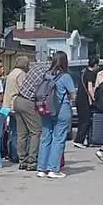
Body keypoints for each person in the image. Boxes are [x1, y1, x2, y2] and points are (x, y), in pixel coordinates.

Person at [37, 50, 77, 179]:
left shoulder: (47, 75)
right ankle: (54, 168)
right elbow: (72, 94)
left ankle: (42, 168)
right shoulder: (66, 77)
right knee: (58, 139)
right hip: (61, 110)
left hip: (46, 109)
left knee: (45, 138)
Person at [73, 57, 99, 148]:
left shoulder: (83, 72)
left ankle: (79, 139)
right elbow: (90, 88)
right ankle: (79, 140)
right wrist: (94, 98)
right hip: (85, 100)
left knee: (81, 120)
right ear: (95, 65)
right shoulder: (90, 74)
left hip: (79, 99)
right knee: (85, 121)